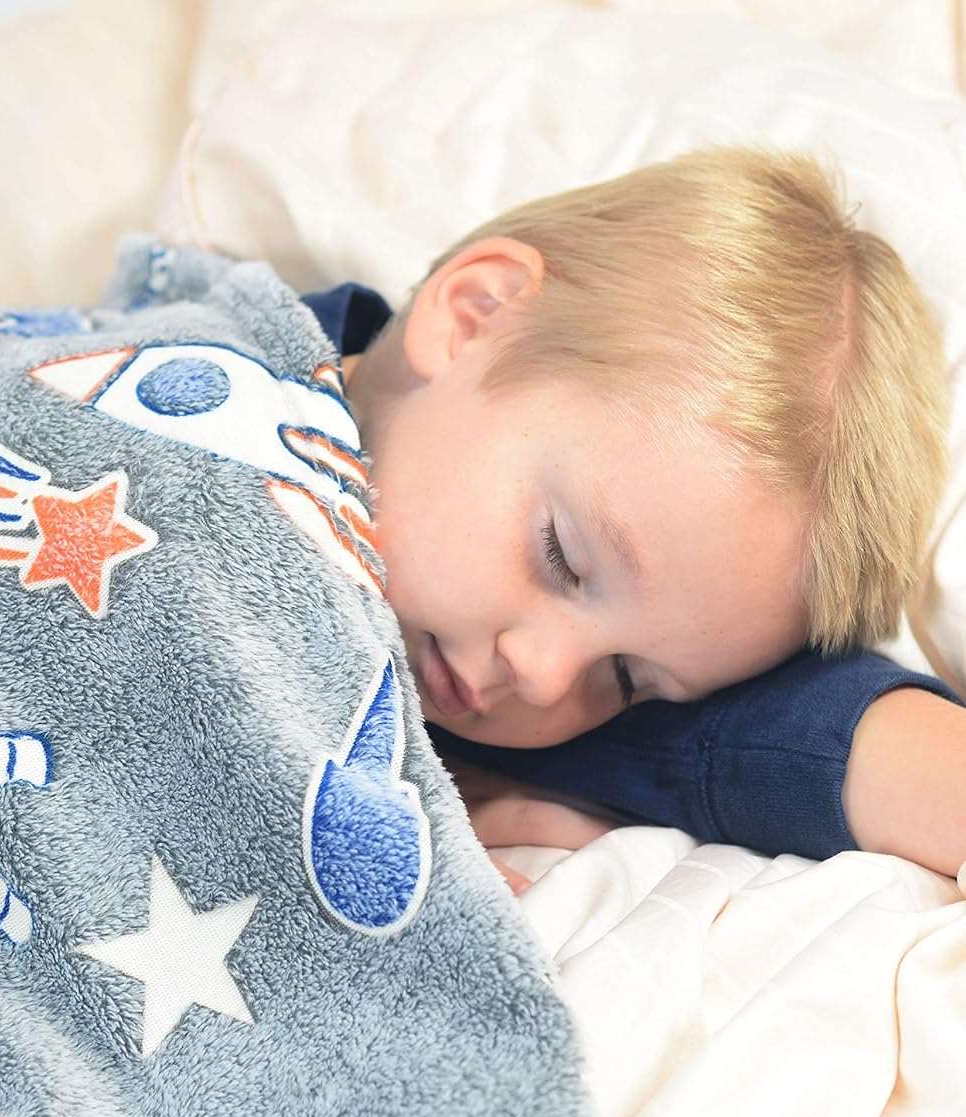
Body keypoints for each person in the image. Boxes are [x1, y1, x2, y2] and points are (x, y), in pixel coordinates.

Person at [307, 146, 966, 894]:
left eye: (624, 679)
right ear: (475, 317)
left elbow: (764, 740)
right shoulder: (193, 375)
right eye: (562, 557)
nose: (547, 679)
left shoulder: (524, 676)